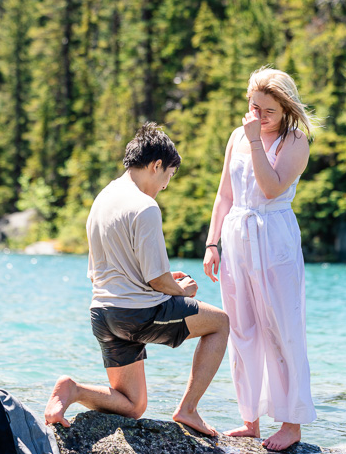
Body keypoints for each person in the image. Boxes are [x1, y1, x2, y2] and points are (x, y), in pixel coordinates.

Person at [45, 123, 230, 437]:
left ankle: (72, 390)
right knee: (220, 322)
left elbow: (106, 270)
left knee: (133, 406)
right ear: (156, 165)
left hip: (102, 314)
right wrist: (182, 289)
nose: (165, 185)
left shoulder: (103, 200)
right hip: (138, 315)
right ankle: (188, 409)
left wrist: (160, 282)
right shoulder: (145, 207)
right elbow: (158, 281)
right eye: (168, 175)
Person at [202, 67, 317, 451]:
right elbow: (225, 195)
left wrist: (255, 142)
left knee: (281, 326)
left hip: (274, 237)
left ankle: (291, 424)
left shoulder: (296, 141)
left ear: (285, 109)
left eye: (267, 110)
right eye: (254, 107)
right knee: (242, 328)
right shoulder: (237, 135)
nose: (259, 116)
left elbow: (269, 188)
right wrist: (212, 243)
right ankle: (249, 419)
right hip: (236, 236)